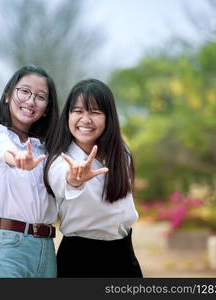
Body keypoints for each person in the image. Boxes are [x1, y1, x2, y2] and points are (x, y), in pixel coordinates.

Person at [44, 79, 143, 278]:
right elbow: (65, 180)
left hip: (124, 253)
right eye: (78, 111)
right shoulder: (60, 160)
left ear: (109, 118)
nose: (85, 119)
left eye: (95, 112)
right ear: (68, 116)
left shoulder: (121, 153)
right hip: (81, 258)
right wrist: (75, 177)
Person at [0, 65, 59, 277]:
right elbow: (2, 151)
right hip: (9, 246)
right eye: (24, 91)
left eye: (40, 97)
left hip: (46, 248)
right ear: (7, 96)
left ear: (47, 108)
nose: (31, 101)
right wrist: (16, 159)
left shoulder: (46, 147)